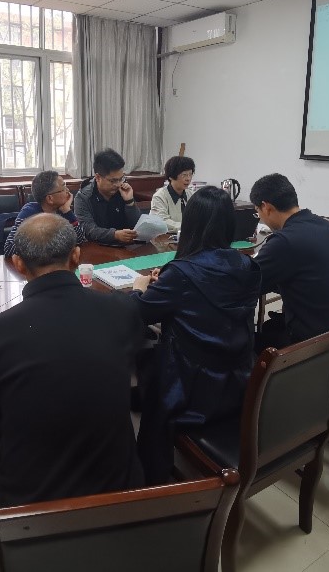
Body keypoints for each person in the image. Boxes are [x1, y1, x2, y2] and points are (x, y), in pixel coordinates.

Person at [0, 213, 144, 507]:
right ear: (76, 256)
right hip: (120, 490)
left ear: (19, 264)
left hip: (30, 502)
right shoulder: (122, 310)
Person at [130, 186, 261, 484]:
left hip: (192, 388)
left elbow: (140, 313)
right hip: (239, 377)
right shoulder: (248, 265)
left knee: (144, 355)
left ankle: (151, 478)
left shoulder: (181, 273)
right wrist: (169, 281)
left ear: (191, 224)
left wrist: (139, 288)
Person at [250, 174, 329, 368]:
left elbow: (246, 285)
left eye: (257, 212)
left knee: (242, 344)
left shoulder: (285, 241)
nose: (260, 217)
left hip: (318, 357)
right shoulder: (327, 227)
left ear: (266, 207)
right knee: (270, 327)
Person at [2, 170, 85, 258]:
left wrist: (67, 211)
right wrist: (54, 246)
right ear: (50, 199)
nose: (68, 191)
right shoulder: (29, 213)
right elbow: (9, 248)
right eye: (63, 188)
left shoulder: (63, 210)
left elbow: (80, 240)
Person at [74, 148, 141, 245]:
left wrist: (129, 202)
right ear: (98, 177)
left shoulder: (123, 190)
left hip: (126, 246)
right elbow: (88, 230)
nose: (118, 184)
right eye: (113, 181)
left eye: (121, 179)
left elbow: (137, 225)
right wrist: (114, 235)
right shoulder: (83, 197)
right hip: (97, 248)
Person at [150, 156, 195, 233]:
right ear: (171, 177)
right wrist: (187, 228)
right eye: (184, 175)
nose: (188, 179)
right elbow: (162, 221)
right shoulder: (160, 196)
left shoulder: (191, 194)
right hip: (168, 237)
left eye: (190, 174)